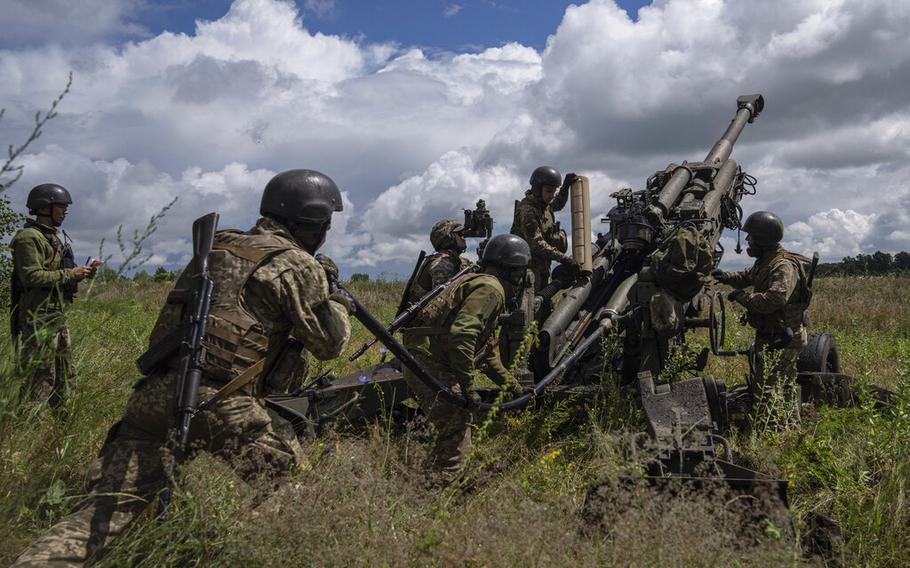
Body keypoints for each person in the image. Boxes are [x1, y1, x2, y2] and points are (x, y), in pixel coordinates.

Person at [13, 169, 353, 567]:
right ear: (314, 224)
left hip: (152, 398)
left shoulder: (215, 248)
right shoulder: (296, 264)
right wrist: (338, 300)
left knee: (100, 516)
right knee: (295, 490)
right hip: (224, 404)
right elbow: (330, 344)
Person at [400, 234, 530, 479]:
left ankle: (439, 474)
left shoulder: (481, 282)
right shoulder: (492, 290)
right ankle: (442, 487)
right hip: (430, 361)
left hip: (422, 357)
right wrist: (468, 390)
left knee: (453, 424)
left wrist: (515, 389)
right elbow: (463, 337)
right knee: (457, 420)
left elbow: (486, 357)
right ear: (515, 271)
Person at [712, 211, 811, 420]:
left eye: (751, 236)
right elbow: (749, 275)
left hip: (784, 338)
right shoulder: (767, 260)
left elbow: (774, 300)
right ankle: (784, 425)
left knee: (771, 388)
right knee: (772, 385)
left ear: (763, 239)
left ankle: (776, 429)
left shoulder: (783, 265)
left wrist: (742, 297)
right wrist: (725, 277)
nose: (747, 240)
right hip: (772, 334)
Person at [10, 183, 95, 408]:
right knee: (39, 377)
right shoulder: (29, 238)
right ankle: (29, 432)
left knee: (65, 375)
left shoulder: (53, 238)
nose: (65, 211)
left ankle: (61, 426)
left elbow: (57, 273)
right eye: (61, 206)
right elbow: (31, 277)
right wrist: (70, 273)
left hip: (56, 315)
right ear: (44, 207)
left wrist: (81, 274)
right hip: (38, 318)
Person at [510, 166, 579, 292]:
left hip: (542, 266)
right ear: (537, 189)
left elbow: (557, 204)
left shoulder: (543, 205)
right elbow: (537, 244)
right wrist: (563, 258)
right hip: (528, 269)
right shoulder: (528, 210)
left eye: (554, 191)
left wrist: (565, 186)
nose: (552, 196)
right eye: (548, 191)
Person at [406, 218, 474, 304]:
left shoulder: (457, 260)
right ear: (448, 238)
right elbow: (442, 302)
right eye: (459, 234)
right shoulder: (442, 264)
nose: (463, 238)